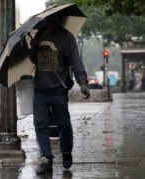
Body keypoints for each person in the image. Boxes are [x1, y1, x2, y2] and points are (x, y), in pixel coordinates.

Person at [29, 17, 90, 174]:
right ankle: (46, 158)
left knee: (63, 124)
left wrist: (82, 82)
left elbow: (76, 62)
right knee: (40, 124)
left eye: (55, 20)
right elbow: (32, 59)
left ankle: (66, 151)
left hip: (59, 91)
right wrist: (34, 47)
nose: (52, 23)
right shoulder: (40, 35)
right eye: (50, 21)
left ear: (61, 21)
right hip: (40, 90)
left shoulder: (67, 38)